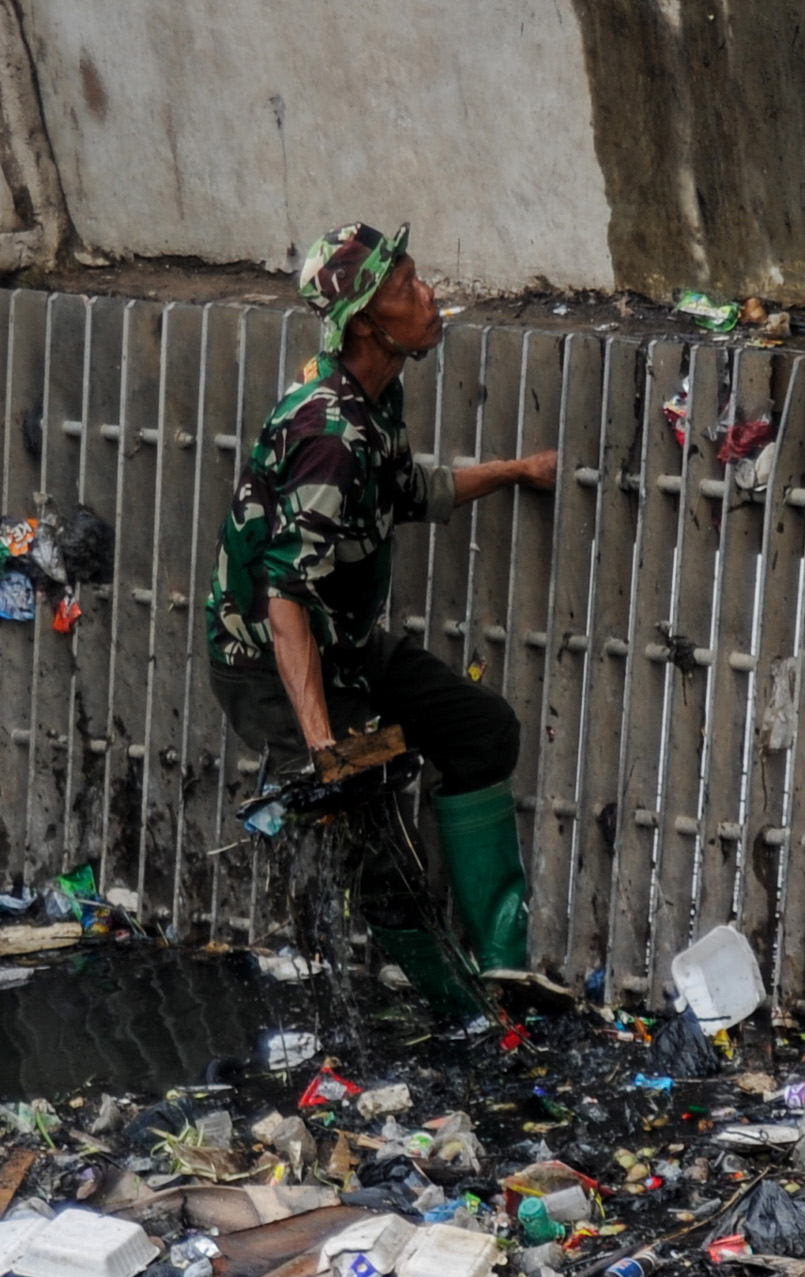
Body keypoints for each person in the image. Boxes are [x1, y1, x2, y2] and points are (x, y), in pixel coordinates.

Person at [207, 222, 558, 986]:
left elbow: (414, 493)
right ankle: (454, 1008)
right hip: (268, 664)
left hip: (347, 644)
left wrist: (516, 469)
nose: (428, 294)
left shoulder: (378, 397)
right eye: (404, 287)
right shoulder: (330, 435)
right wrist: (326, 746)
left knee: (482, 730)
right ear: (366, 321)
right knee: (371, 796)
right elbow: (285, 594)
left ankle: (501, 971)